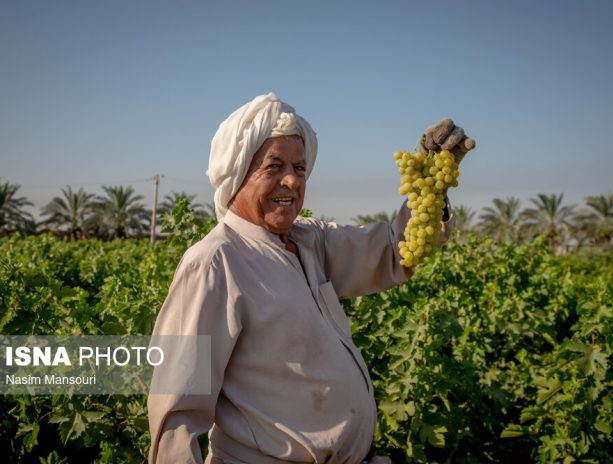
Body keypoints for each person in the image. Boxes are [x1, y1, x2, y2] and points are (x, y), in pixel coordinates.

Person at [147, 92, 475, 464]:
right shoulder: (214, 263)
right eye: (274, 166)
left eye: (299, 168)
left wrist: (432, 182)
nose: (291, 180)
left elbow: (395, 251)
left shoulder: (310, 240)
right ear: (238, 173)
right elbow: (176, 410)